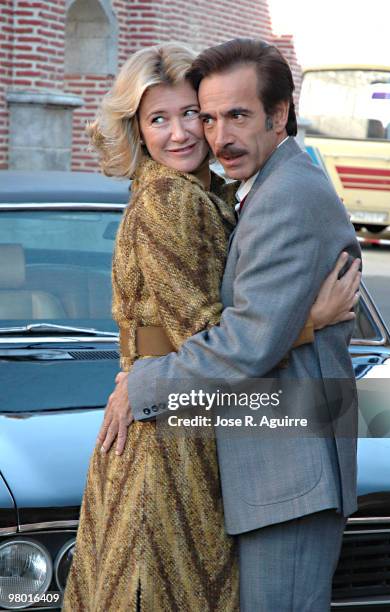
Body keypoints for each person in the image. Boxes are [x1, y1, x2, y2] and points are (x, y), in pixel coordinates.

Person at [63, 43, 361, 612]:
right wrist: (306, 322)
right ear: (137, 129)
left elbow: (241, 337)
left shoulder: (247, 193)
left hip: (242, 442)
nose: (192, 133)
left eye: (200, 115)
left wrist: (141, 379)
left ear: (278, 115)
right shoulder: (174, 199)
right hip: (175, 439)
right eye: (161, 119)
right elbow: (222, 333)